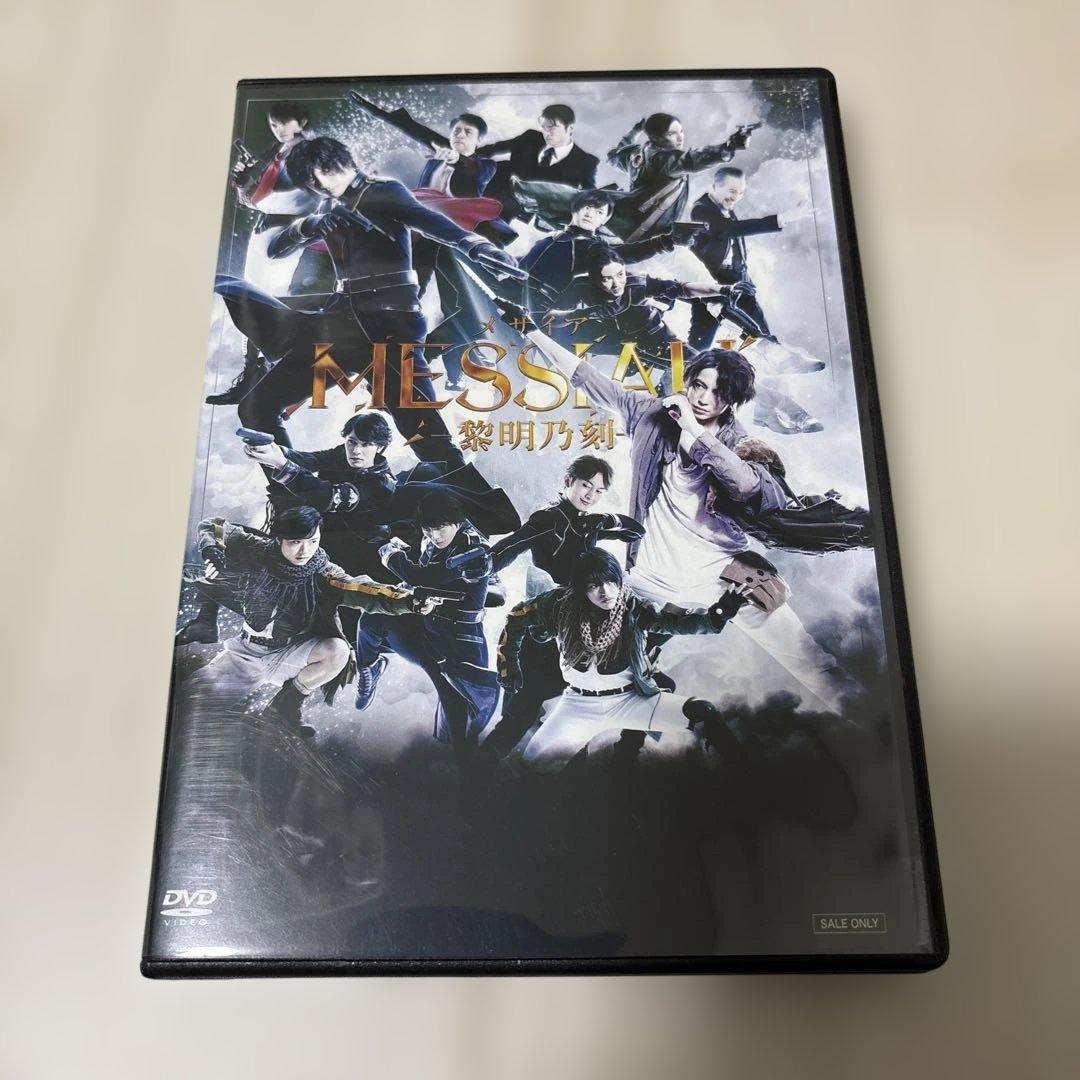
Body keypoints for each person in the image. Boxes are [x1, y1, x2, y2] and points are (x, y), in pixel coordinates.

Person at [525, 328, 853, 713]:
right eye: (699, 385)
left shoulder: (743, 445)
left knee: (808, 661)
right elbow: (587, 377)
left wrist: (694, 432)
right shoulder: (649, 415)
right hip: (650, 578)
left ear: (732, 400)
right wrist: (533, 332)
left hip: (724, 578)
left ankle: (867, 723)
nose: (703, 398)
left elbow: (747, 486)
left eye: (718, 392)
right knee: (590, 650)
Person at [212, 136, 518, 458]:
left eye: (317, 177)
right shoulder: (329, 206)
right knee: (256, 405)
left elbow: (427, 220)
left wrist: (475, 245)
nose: (317, 187)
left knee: (427, 437)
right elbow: (277, 249)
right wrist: (311, 225)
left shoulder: (382, 191)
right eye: (309, 183)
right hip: (342, 323)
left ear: (336, 164)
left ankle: (467, 491)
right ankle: (289, 479)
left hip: (389, 327)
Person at [182, 506, 433, 739]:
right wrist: (211, 551)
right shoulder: (256, 549)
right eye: (295, 542)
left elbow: (363, 589)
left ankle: (284, 708)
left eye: (313, 541)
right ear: (279, 539)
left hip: (291, 654)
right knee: (192, 707)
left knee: (338, 651)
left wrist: (408, 601)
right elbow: (213, 525)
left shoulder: (324, 573)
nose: (305, 551)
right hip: (246, 654)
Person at [497, 550, 751, 768]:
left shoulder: (635, 608)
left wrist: (721, 612)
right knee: (532, 765)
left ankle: (749, 773)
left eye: (611, 582)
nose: (605, 592)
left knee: (704, 712)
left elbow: (677, 623)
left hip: (630, 700)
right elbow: (517, 617)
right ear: (581, 588)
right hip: (577, 705)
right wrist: (508, 665)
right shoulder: (559, 604)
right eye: (593, 585)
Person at [481, 456, 645, 763]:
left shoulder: (587, 521)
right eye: (586, 485)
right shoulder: (549, 519)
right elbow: (511, 546)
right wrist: (485, 565)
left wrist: (604, 521)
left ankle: (580, 776)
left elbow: (635, 531)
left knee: (577, 711)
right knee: (520, 714)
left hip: (577, 628)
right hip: (544, 622)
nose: (591, 495)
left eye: (599, 491)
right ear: (569, 480)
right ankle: (476, 776)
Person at [568, 250, 823, 434]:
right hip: (637, 365)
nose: (617, 283)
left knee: (723, 377)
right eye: (608, 278)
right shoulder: (584, 298)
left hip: (668, 349)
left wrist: (723, 290)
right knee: (673, 416)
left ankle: (793, 412)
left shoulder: (638, 284)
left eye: (620, 274)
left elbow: (684, 288)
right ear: (596, 281)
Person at [353, 491, 499, 764]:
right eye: (428, 529)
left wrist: (390, 553)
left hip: (459, 642)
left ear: (457, 522)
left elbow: (423, 577)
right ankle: (368, 668)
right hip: (425, 628)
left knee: (457, 709)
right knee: (372, 619)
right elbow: (420, 580)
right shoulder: (432, 541)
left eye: (441, 528)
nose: (435, 535)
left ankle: (468, 773)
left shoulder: (473, 548)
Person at [208, 101, 328, 407]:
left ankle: (279, 379)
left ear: (301, 121)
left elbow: (307, 199)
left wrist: (252, 195)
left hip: (287, 235)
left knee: (268, 305)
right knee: (251, 304)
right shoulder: (279, 152)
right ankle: (252, 375)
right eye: (274, 124)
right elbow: (249, 198)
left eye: (284, 123)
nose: (279, 130)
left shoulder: (311, 153)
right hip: (264, 233)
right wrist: (242, 183)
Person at [688, 166, 825, 381]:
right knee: (699, 346)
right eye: (732, 191)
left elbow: (734, 248)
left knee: (759, 332)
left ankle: (783, 361)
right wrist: (782, 218)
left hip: (738, 283)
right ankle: (674, 382)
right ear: (715, 186)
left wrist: (745, 277)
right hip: (713, 289)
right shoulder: (701, 211)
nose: (736, 197)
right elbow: (729, 230)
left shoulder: (725, 208)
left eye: (741, 192)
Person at [517, 189, 701, 327]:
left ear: (604, 220)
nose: (590, 214)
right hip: (516, 290)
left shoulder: (592, 246)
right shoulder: (557, 236)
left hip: (538, 307)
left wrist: (666, 241)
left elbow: (627, 253)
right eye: (588, 208)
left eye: (599, 212)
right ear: (576, 208)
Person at [605, 113, 757, 242]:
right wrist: (729, 147)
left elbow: (614, 155)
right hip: (648, 231)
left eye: (681, 132)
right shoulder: (667, 160)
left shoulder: (636, 154)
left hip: (631, 223)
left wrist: (635, 131)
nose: (680, 138)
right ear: (656, 137)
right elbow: (696, 159)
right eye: (672, 134)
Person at [479, 104, 599, 225]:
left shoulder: (586, 162)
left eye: (551, 127)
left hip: (515, 213)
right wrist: (469, 157)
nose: (546, 132)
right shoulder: (531, 137)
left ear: (570, 128)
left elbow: (590, 197)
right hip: (488, 190)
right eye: (544, 127)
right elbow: (494, 149)